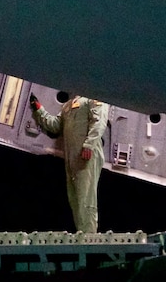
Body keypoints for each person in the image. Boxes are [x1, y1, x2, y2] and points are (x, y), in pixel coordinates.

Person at [29, 93, 109, 233]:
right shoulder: (68, 105)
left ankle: (89, 238)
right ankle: (82, 233)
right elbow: (55, 126)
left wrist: (89, 145)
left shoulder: (92, 98)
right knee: (75, 199)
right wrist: (39, 109)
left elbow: (99, 121)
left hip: (86, 155)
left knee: (86, 199)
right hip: (73, 157)